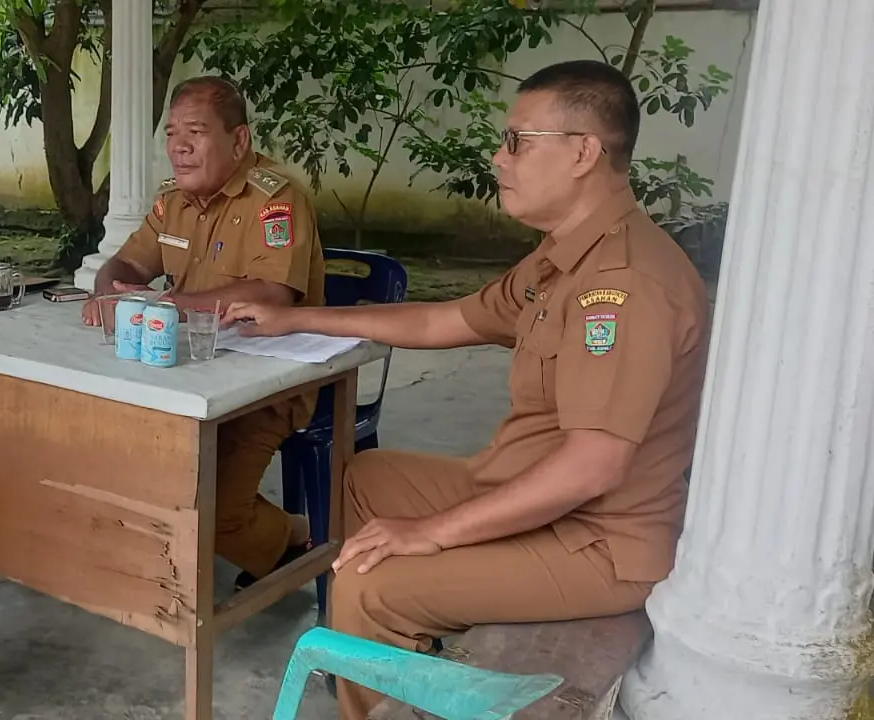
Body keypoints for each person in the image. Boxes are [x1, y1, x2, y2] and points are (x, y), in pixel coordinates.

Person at [221, 60, 710, 719]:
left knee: (374, 581)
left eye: (518, 141)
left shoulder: (622, 287)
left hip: (597, 539)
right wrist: (296, 316)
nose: (498, 157)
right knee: (366, 480)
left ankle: (380, 677)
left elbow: (594, 465)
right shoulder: (564, 254)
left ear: (583, 152)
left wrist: (433, 534)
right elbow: (444, 317)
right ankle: (400, 669)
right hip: (527, 487)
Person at [81, 76, 326, 588]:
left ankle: (298, 534)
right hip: (187, 372)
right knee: (123, 463)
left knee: (208, 511)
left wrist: (167, 304)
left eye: (195, 132)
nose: (179, 148)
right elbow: (125, 261)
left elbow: (273, 295)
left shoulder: (275, 200)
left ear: (239, 141)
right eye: (171, 134)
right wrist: (105, 294)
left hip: (266, 382)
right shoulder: (173, 200)